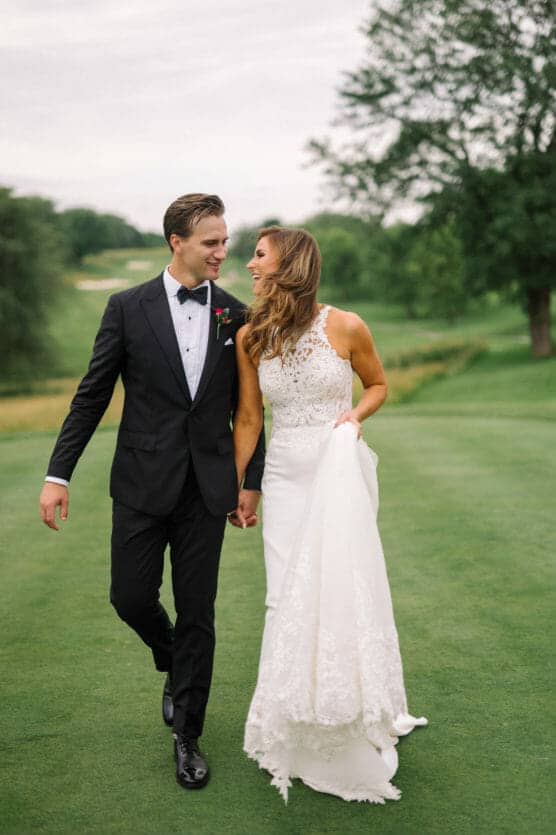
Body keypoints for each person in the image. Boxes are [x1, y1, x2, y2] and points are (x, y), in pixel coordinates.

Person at [39, 193, 265, 791]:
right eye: (211, 242)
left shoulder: (237, 315)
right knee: (130, 597)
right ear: (177, 242)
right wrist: (58, 474)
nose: (223, 252)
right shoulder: (126, 307)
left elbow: (252, 409)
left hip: (207, 491)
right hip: (140, 484)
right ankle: (172, 659)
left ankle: (187, 735)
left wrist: (251, 483)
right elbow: (91, 395)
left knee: (200, 614)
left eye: (225, 240)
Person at [232, 226, 427, 804]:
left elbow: (378, 384)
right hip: (285, 476)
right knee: (283, 596)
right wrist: (243, 487)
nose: (248, 265)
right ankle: (289, 722)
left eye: (259, 256)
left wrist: (354, 417)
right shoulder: (249, 337)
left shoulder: (345, 325)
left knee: (338, 590)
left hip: (336, 471)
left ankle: (344, 715)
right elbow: (248, 418)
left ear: (288, 264)